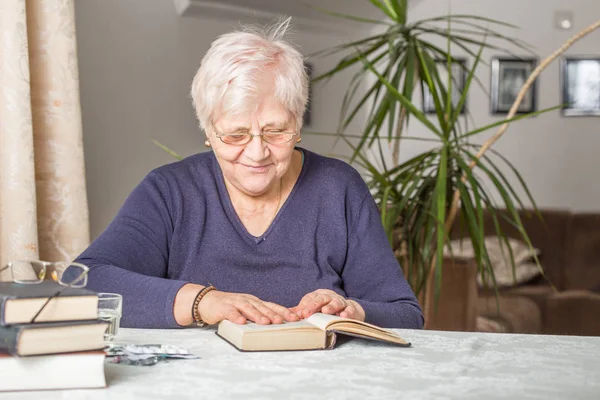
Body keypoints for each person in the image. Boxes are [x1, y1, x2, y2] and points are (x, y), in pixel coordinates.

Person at [75, 18, 424, 330]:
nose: (257, 153)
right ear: (208, 131)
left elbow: (406, 314)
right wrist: (204, 302)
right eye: (235, 135)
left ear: (298, 124)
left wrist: (353, 311)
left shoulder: (339, 188)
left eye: (276, 132)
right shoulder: (170, 191)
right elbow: (84, 283)